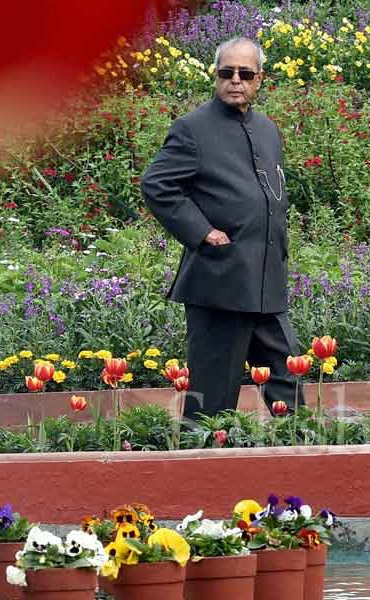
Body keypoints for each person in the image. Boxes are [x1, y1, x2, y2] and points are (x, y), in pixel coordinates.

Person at [141, 36, 304, 419]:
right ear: (215, 76)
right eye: (226, 72)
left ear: (259, 79)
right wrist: (202, 231)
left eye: (245, 73)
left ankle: (300, 463)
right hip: (219, 282)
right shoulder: (192, 129)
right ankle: (198, 472)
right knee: (211, 405)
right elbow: (156, 184)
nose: (235, 80)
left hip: (267, 284)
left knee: (288, 382)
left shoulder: (266, 129)